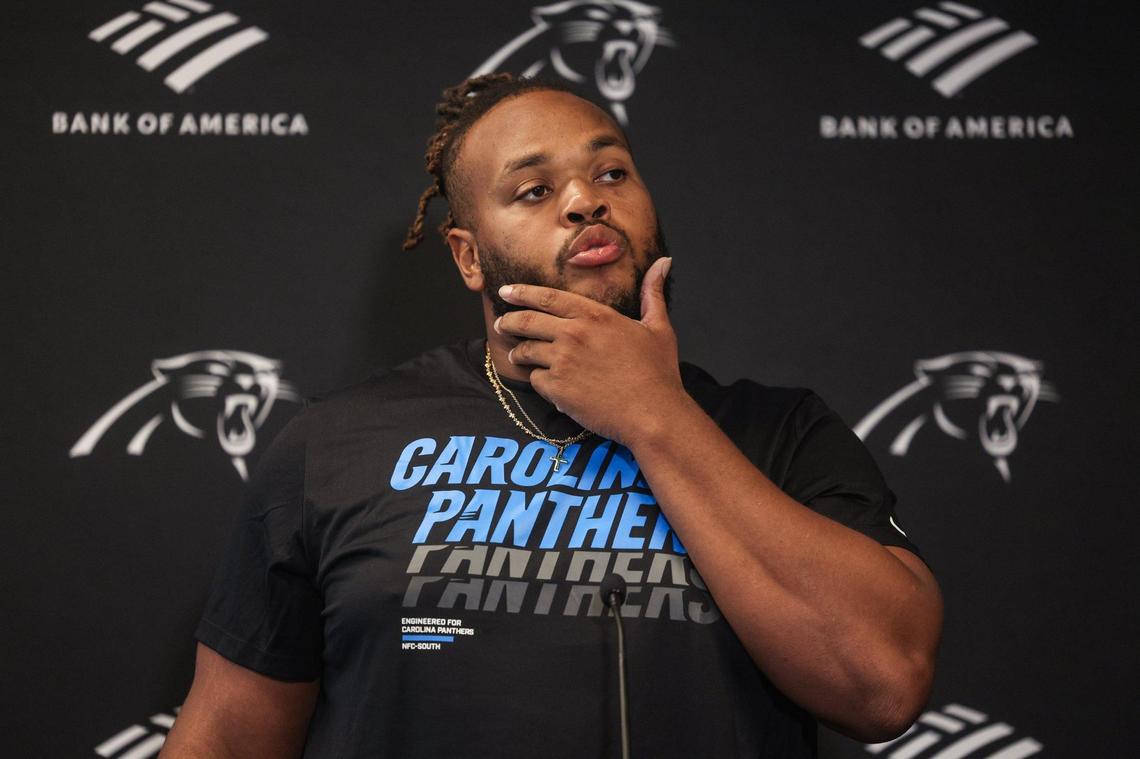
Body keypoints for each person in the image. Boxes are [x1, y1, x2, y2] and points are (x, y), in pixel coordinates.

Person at [161, 74, 942, 758]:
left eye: (612, 171)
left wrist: (655, 415)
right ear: (468, 256)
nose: (585, 200)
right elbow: (227, 738)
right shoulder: (332, 445)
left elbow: (882, 684)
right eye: (534, 190)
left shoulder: (783, 433)